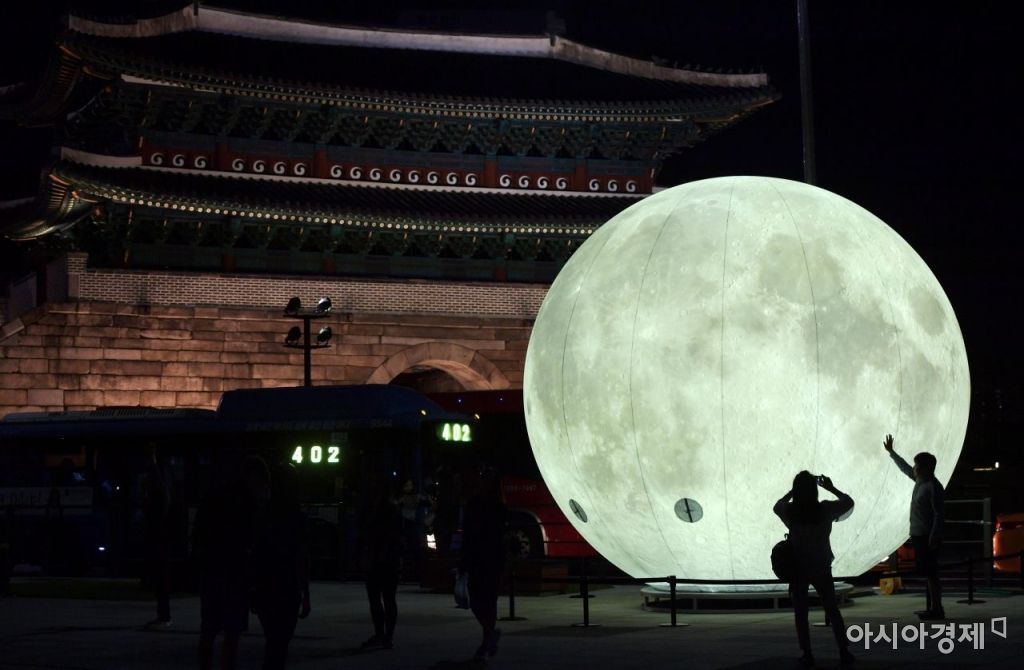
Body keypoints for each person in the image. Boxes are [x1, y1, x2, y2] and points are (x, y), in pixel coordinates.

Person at [774, 471, 855, 667]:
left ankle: (807, 653)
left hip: (798, 567)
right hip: (821, 565)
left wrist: (792, 492)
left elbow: (777, 506)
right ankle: (843, 650)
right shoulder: (825, 510)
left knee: (801, 613)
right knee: (832, 609)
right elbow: (848, 502)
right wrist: (831, 488)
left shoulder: (791, 512)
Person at [195, 454, 268, 670]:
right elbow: (252, 539)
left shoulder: (216, 496)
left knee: (209, 631)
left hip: (213, 571)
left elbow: (200, 534)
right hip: (235, 574)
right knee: (232, 633)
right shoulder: (247, 503)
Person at [250, 464, 311, 670]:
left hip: (266, 585)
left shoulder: (263, 515)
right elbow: (301, 557)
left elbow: (256, 554)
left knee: (273, 641)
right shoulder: (298, 517)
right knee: (281, 643)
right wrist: (306, 593)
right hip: (288, 586)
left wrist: (253, 588)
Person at [883, 433, 945, 619]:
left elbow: (939, 514)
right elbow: (905, 468)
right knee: (928, 572)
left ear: (926, 468)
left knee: (931, 573)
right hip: (919, 534)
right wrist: (892, 452)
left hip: (927, 536)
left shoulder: (933, 487)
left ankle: (936, 609)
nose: (914, 468)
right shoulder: (920, 480)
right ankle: (934, 608)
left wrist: (934, 537)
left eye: (917, 465)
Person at [458, 467, 507, 661]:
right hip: (484, 558)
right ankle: (489, 636)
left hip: (485, 558)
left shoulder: (490, 505)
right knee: (481, 602)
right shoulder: (488, 504)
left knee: (484, 601)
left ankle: (487, 640)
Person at [359, 478, 403, 650]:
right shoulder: (392, 509)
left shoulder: (374, 509)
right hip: (387, 560)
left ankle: (381, 634)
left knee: (376, 599)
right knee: (388, 599)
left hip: (378, 560)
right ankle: (387, 636)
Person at [141, 444, 173, 628]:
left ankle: (163, 615)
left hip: (158, 536)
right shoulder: (163, 483)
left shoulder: (158, 486)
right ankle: (163, 615)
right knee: (160, 576)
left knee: (160, 576)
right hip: (160, 535)